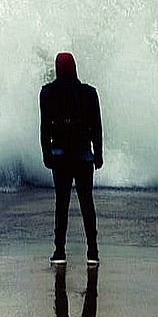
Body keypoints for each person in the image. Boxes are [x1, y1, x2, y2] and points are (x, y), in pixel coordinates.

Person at [38, 52, 103, 265]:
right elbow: (97, 127)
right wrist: (99, 154)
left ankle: (59, 250)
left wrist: (46, 153)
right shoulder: (89, 93)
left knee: (62, 203)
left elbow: (45, 127)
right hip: (84, 155)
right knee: (87, 202)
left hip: (61, 156)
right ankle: (92, 250)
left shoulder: (47, 93)